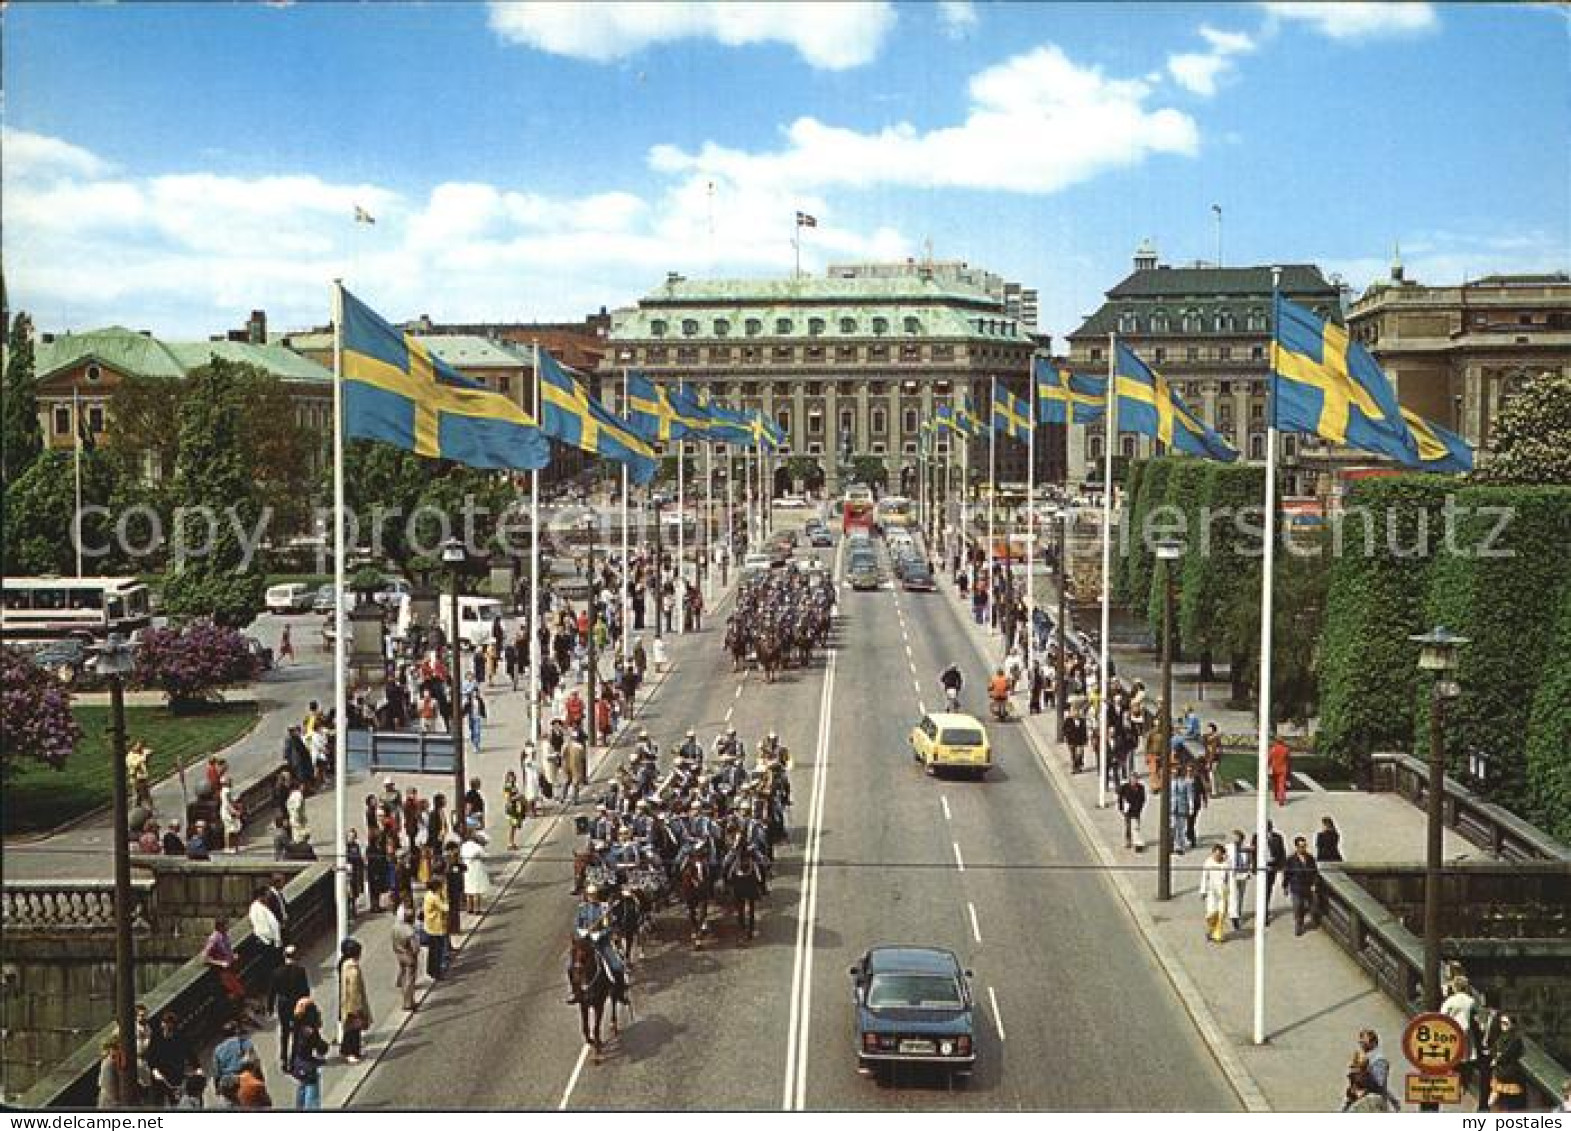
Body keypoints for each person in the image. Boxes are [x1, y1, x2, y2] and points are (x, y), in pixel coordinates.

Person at [566, 884, 627, 1005]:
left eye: (593, 895)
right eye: (589, 895)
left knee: (616, 966)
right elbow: (577, 924)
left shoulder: (603, 909)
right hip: (585, 943)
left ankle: (620, 992)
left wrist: (600, 934)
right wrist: (581, 931)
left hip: (601, 943)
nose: (591, 897)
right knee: (570, 966)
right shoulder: (582, 908)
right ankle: (574, 991)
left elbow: (609, 927)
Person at [267, 945, 309, 1072]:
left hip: (283, 1004)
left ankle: (283, 1058)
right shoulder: (300, 971)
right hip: (296, 1003)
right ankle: (293, 1059)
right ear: (295, 956)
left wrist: (270, 1007)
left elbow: (272, 991)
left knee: (284, 1032)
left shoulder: (277, 972)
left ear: (284, 956)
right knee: (296, 1032)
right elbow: (306, 990)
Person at [287, 1001, 328, 1110]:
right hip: (308, 1064)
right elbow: (320, 1047)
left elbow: (295, 1046)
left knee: (302, 1089)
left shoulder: (297, 1025)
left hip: (298, 1062)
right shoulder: (310, 1030)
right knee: (312, 1094)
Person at [337, 938, 371, 1064]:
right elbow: (353, 989)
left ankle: (353, 1050)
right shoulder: (352, 968)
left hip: (350, 1002)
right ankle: (350, 1051)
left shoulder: (345, 964)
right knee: (353, 1029)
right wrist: (357, 1007)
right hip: (352, 1003)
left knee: (353, 1028)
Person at [1487, 1014, 1526, 1111]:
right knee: (1494, 1101)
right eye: (1501, 1023)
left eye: (1505, 1023)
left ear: (1512, 1024)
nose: (1502, 1025)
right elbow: (1494, 1050)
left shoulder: (1516, 1039)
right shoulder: (1502, 1036)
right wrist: (1496, 1055)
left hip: (1508, 1074)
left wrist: (1496, 1058)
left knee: (1502, 1102)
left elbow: (1507, 1053)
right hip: (1500, 1072)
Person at [1283, 835, 1320, 935]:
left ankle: (1310, 920)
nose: (1303, 848)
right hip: (1296, 886)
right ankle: (1298, 925)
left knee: (1310, 906)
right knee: (1298, 906)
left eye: (1304, 846)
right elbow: (1287, 873)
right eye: (1301, 846)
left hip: (1308, 886)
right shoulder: (1291, 859)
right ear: (1296, 847)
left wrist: (1314, 884)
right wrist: (1285, 886)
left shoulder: (1310, 858)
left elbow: (1315, 872)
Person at [390, 900, 420, 1011]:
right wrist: (415, 952)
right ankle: (409, 1002)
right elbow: (415, 947)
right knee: (410, 980)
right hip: (409, 956)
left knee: (403, 978)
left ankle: (405, 1000)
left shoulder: (395, 927)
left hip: (399, 955)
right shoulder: (409, 930)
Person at [1199, 843, 1231, 943]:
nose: (1216, 856)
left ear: (1222, 854)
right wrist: (1203, 891)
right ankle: (1211, 930)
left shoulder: (1226, 864)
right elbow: (1204, 877)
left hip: (1223, 891)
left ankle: (1218, 935)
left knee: (1221, 913)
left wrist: (1230, 892)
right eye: (1215, 854)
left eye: (1219, 854)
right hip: (1212, 891)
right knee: (1211, 914)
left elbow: (1230, 879)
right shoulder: (1208, 862)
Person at [211, 1019, 259, 1083]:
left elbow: (217, 1072)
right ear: (236, 1031)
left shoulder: (217, 1049)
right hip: (244, 1076)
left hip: (228, 1081)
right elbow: (254, 1059)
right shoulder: (244, 1042)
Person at [423, 878, 449, 980]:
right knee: (437, 951)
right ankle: (436, 972)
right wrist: (445, 896)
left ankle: (430, 970)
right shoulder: (435, 897)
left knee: (432, 951)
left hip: (430, 926)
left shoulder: (428, 894)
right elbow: (445, 908)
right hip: (436, 926)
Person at [1226, 829, 1252, 932]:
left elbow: (1248, 861)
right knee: (1234, 895)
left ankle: (1238, 912)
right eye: (1235, 839)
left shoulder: (1245, 849)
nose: (1237, 841)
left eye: (1239, 839)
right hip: (1233, 875)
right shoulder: (1228, 848)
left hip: (1243, 874)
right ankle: (1234, 917)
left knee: (1241, 895)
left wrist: (1248, 871)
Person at [460, 832, 490, 914]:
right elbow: (485, 856)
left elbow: (461, 855)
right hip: (476, 868)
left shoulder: (464, 846)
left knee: (469, 889)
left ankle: (469, 908)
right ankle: (477, 909)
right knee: (476, 889)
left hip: (466, 868)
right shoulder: (477, 847)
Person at [1116, 774, 1146, 851]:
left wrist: (1140, 808)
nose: (1134, 781)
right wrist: (1121, 808)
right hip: (1128, 810)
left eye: (1135, 779)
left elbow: (1143, 799)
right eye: (1132, 779)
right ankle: (1128, 841)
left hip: (1136, 810)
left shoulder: (1141, 787)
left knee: (1136, 826)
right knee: (1128, 826)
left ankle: (1137, 842)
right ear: (1130, 780)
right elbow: (1120, 797)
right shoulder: (1125, 787)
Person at [97, 1035, 127, 1109]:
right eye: (116, 1048)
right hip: (109, 1100)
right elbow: (109, 1086)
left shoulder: (112, 1061)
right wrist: (117, 1101)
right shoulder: (109, 1063)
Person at [1268, 734, 1291, 807]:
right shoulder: (1286, 749)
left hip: (1274, 768)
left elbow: (1269, 759)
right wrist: (1289, 769)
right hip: (1283, 769)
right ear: (1283, 741)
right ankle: (1281, 799)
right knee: (1281, 784)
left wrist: (1267, 766)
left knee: (1275, 783)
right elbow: (1289, 761)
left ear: (1276, 741)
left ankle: (1276, 796)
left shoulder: (1273, 749)